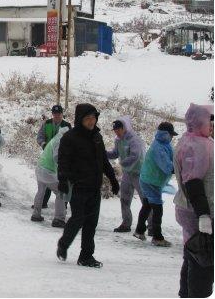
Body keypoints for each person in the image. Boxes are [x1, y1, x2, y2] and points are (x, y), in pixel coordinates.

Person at [56, 103, 119, 268]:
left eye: (94, 118)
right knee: (77, 219)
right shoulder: (69, 138)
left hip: (94, 188)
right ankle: (64, 244)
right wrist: (62, 180)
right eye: (88, 118)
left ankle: (86, 256)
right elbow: (63, 162)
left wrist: (113, 180)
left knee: (91, 223)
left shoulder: (97, 137)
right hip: (78, 187)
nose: (92, 122)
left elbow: (104, 161)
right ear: (80, 119)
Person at [173, 104, 214, 298]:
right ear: (200, 122)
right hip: (198, 212)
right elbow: (194, 183)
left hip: (190, 209)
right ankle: (196, 295)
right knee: (203, 259)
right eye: (209, 121)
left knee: (192, 253)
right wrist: (204, 215)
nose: (212, 126)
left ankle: (186, 294)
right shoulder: (197, 145)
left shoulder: (191, 140)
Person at [133, 122, 178, 247]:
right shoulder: (159, 147)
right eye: (171, 135)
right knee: (157, 208)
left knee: (147, 205)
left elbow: (173, 157)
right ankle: (157, 237)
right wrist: (178, 169)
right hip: (151, 181)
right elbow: (166, 166)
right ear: (165, 134)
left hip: (150, 179)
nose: (172, 137)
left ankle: (139, 230)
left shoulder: (164, 144)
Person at [107, 117, 147, 233]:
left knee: (145, 200)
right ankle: (126, 223)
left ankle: (152, 227)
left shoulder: (134, 140)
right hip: (127, 174)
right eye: (115, 130)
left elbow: (135, 155)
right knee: (124, 199)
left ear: (124, 128)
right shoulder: (118, 140)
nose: (116, 132)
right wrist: (103, 153)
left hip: (139, 173)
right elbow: (115, 153)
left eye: (118, 130)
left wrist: (121, 163)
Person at [32, 126, 68, 227]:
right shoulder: (59, 141)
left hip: (40, 167)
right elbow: (56, 157)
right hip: (47, 171)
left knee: (40, 192)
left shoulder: (55, 139)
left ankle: (36, 214)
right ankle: (59, 219)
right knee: (60, 192)